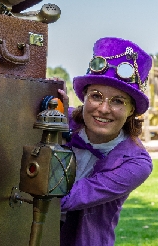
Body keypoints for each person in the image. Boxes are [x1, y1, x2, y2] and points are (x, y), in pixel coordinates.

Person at [59, 37, 153, 246]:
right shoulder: (60, 120)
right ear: (85, 97)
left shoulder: (136, 163)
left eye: (118, 101)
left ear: (132, 110)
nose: (103, 109)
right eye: (96, 96)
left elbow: (66, 199)